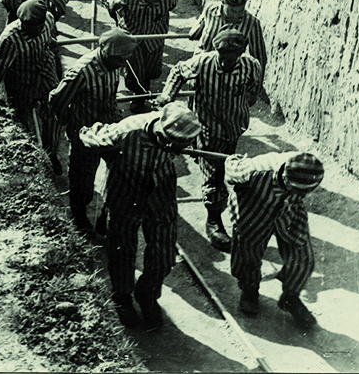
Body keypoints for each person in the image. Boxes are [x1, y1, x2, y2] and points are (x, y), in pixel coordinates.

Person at [79, 102, 202, 327]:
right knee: (122, 246)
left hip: (161, 181)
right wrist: (102, 147)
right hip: (127, 183)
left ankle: (147, 294)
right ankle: (122, 297)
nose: (181, 151)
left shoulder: (179, 127)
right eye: (177, 146)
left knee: (165, 250)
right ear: (163, 137)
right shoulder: (125, 131)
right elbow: (89, 137)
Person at [157, 29, 261, 252]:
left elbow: (253, 90)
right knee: (214, 174)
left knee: (223, 163)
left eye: (231, 55)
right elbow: (178, 71)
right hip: (207, 126)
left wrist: (241, 106)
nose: (225, 60)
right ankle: (213, 220)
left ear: (241, 53)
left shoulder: (251, 65)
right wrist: (168, 95)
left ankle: (201, 157)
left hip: (234, 127)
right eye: (222, 54)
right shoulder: (203, 62)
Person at [49, 29, 139, 234]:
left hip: (110, 126)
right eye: (121, 59)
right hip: (85, 133)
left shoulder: (115, 65)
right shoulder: (82, 71)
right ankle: (79, 217)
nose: (123, 64)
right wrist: (69, 124)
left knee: (121, 170)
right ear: (107, 53)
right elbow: (57, 99)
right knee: (83, 177)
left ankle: (105, 217)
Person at [225, 151, 324, 328]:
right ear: (285, 178)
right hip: (254, 211)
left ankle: (290, 297)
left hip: (289, 211)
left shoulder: (306, 168)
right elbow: (231, 171)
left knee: (303, 257)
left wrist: (295, 195)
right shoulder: (254, 169)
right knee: (248, 255)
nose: (303, 194)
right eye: (297, 190)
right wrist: (235, 160)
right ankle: (250, 291)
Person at [0, 0, 63, 174]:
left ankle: (50, 154)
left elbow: (51, 37)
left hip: (45, 70)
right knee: (22, 120)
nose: (37, 31)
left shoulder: (49, 19)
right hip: (21, 81)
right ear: (22, 22)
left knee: (55, 109)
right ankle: (32, 157)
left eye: (39, 26)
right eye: (31, 27)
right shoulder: (10, 39)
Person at [108, 0, 178, 112]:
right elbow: (112, 6)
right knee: (136, 68)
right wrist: (120, 22)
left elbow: (171, 7)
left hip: (155, 36)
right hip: (133, 36)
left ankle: (143, 87)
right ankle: (138, 96)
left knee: (152, 68)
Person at [189, 0, 267, 91]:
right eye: (232, 11)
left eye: (240, 11)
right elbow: (196, 31)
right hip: (200, 68)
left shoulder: (251, 24)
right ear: (222, 2)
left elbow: (259, 59)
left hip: (228, 78)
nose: (236, 15)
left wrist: (255, 89)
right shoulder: (210, 10)